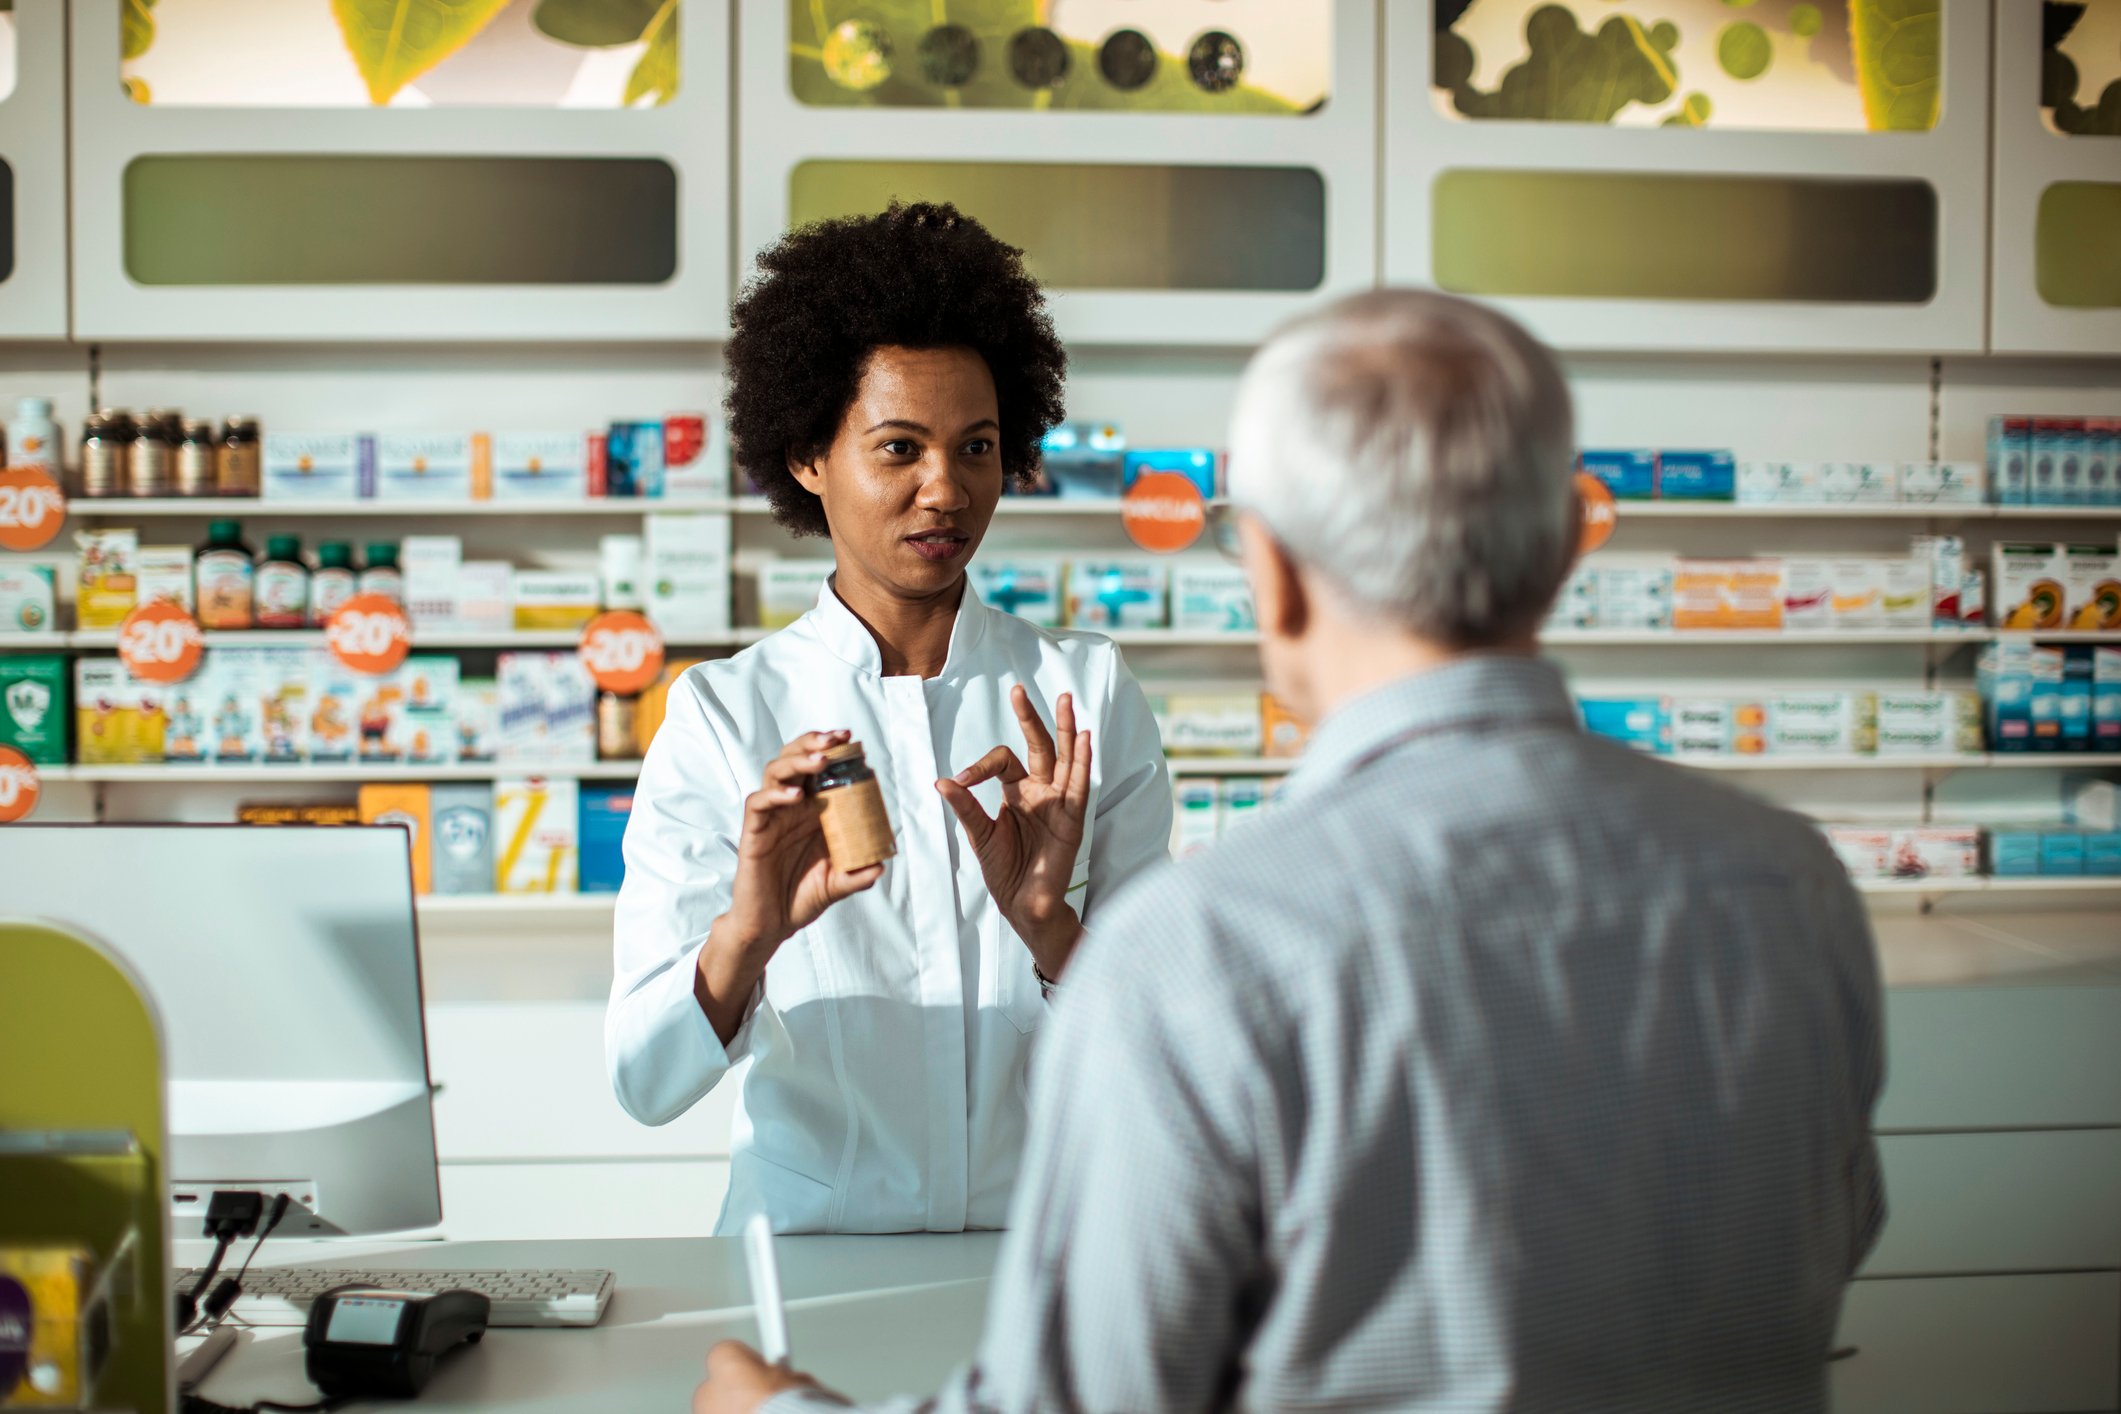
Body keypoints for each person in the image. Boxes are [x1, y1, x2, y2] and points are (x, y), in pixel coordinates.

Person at [698, 289, 1885, 1411]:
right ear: (1573, 537)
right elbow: (1825, 1248)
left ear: (1268, 573)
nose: (942, 488)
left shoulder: (1213, 950)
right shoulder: (1787, 882)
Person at [609, 203, 1172, 1235]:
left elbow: (1180, 1058)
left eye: (978, 446)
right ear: (809, 456)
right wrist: (748, 935)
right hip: (810, 1251)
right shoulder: (725, 718)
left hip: (1045, 1247)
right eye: (899, 446)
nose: (945, 489)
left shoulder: (1083, 700)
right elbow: (644, 1081)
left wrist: (1053, 930)